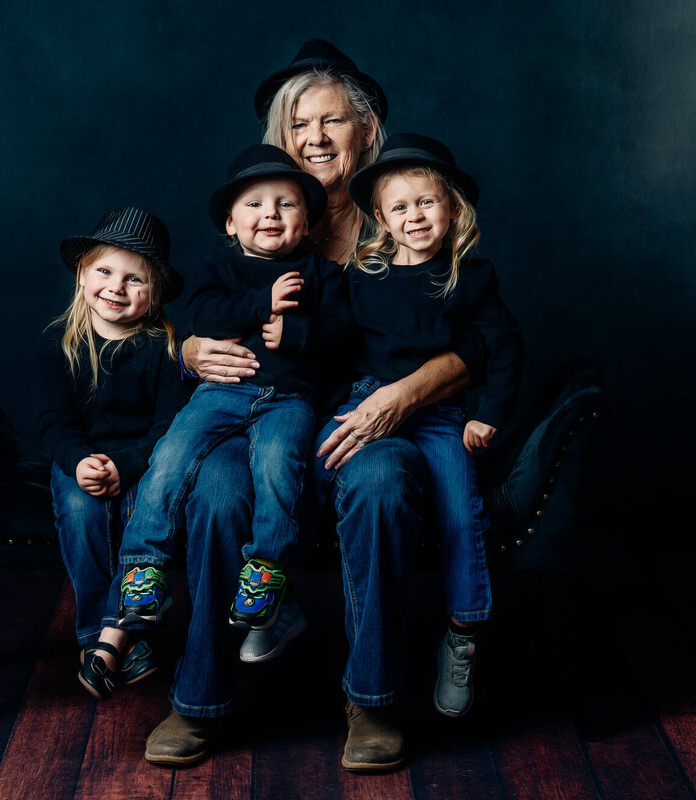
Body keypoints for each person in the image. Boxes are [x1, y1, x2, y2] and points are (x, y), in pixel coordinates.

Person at [148, 39, 485, 771]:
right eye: (300, 126)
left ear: (367, 130)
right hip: (268, 409)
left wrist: (401, 395)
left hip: (373, 415)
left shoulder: (404, 212)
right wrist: (188, 350)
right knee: (215, 485)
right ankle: (198, 696)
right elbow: (202, 308)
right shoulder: (263, 211)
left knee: (381, 482)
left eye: (331, 123)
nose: (315, 140)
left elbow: (473, 339)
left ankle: (372, 700)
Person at [115, 143, 346, 635]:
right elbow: (203, 317)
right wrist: (263, 303)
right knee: (171, 455)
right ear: (229, 222)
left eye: (286, 205)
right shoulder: (217, 269)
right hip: (221, 393)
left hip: (289, 400)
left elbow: (345, 338)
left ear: (306, 223)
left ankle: (267, 569)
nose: (270, 213)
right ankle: (143, 565)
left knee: (280, 465)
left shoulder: (324, 274)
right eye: (255, 204)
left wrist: (299, 334)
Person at [339, 133, 522, 718]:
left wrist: (488, 413)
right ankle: (276, 593)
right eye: (401, 206)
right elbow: (330, 344)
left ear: (453, 209)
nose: (415, 216)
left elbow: (505, 347)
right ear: (381, 218)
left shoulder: (470, 276)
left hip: (440, 416)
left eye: (427, 202)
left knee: (461, 512)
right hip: (368, 401)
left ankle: (463, 635)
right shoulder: (362, 278)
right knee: (310, 465)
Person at [36, 206, 188, 700]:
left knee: (138, 514)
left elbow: (169, 430)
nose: (115, 287)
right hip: (78, 460)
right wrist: (80, 461)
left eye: (134, 279)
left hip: (142, 464)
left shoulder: (166, 349)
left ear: (155, 294)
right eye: (104, 271)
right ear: (82, 276)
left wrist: (124, 466)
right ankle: (115, 640)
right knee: (80, 510)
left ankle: (101, 645)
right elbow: (54, 423)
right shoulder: (59, 344)